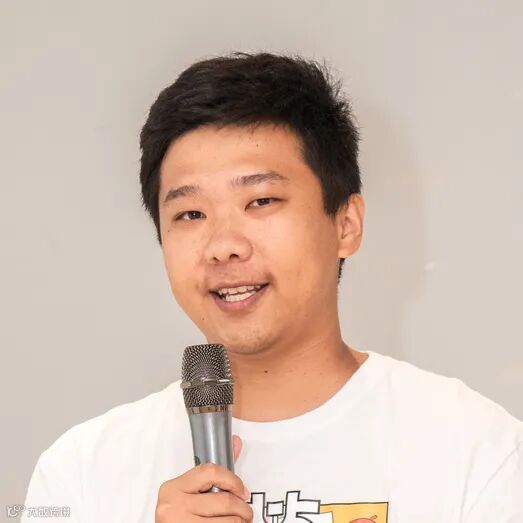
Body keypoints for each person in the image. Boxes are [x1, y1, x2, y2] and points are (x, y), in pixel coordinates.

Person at [23, 52, 522, 523]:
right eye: (190, 214)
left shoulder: (474, 448)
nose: (223, 246)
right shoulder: (81, 473)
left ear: (345, 224)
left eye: (260, 202)